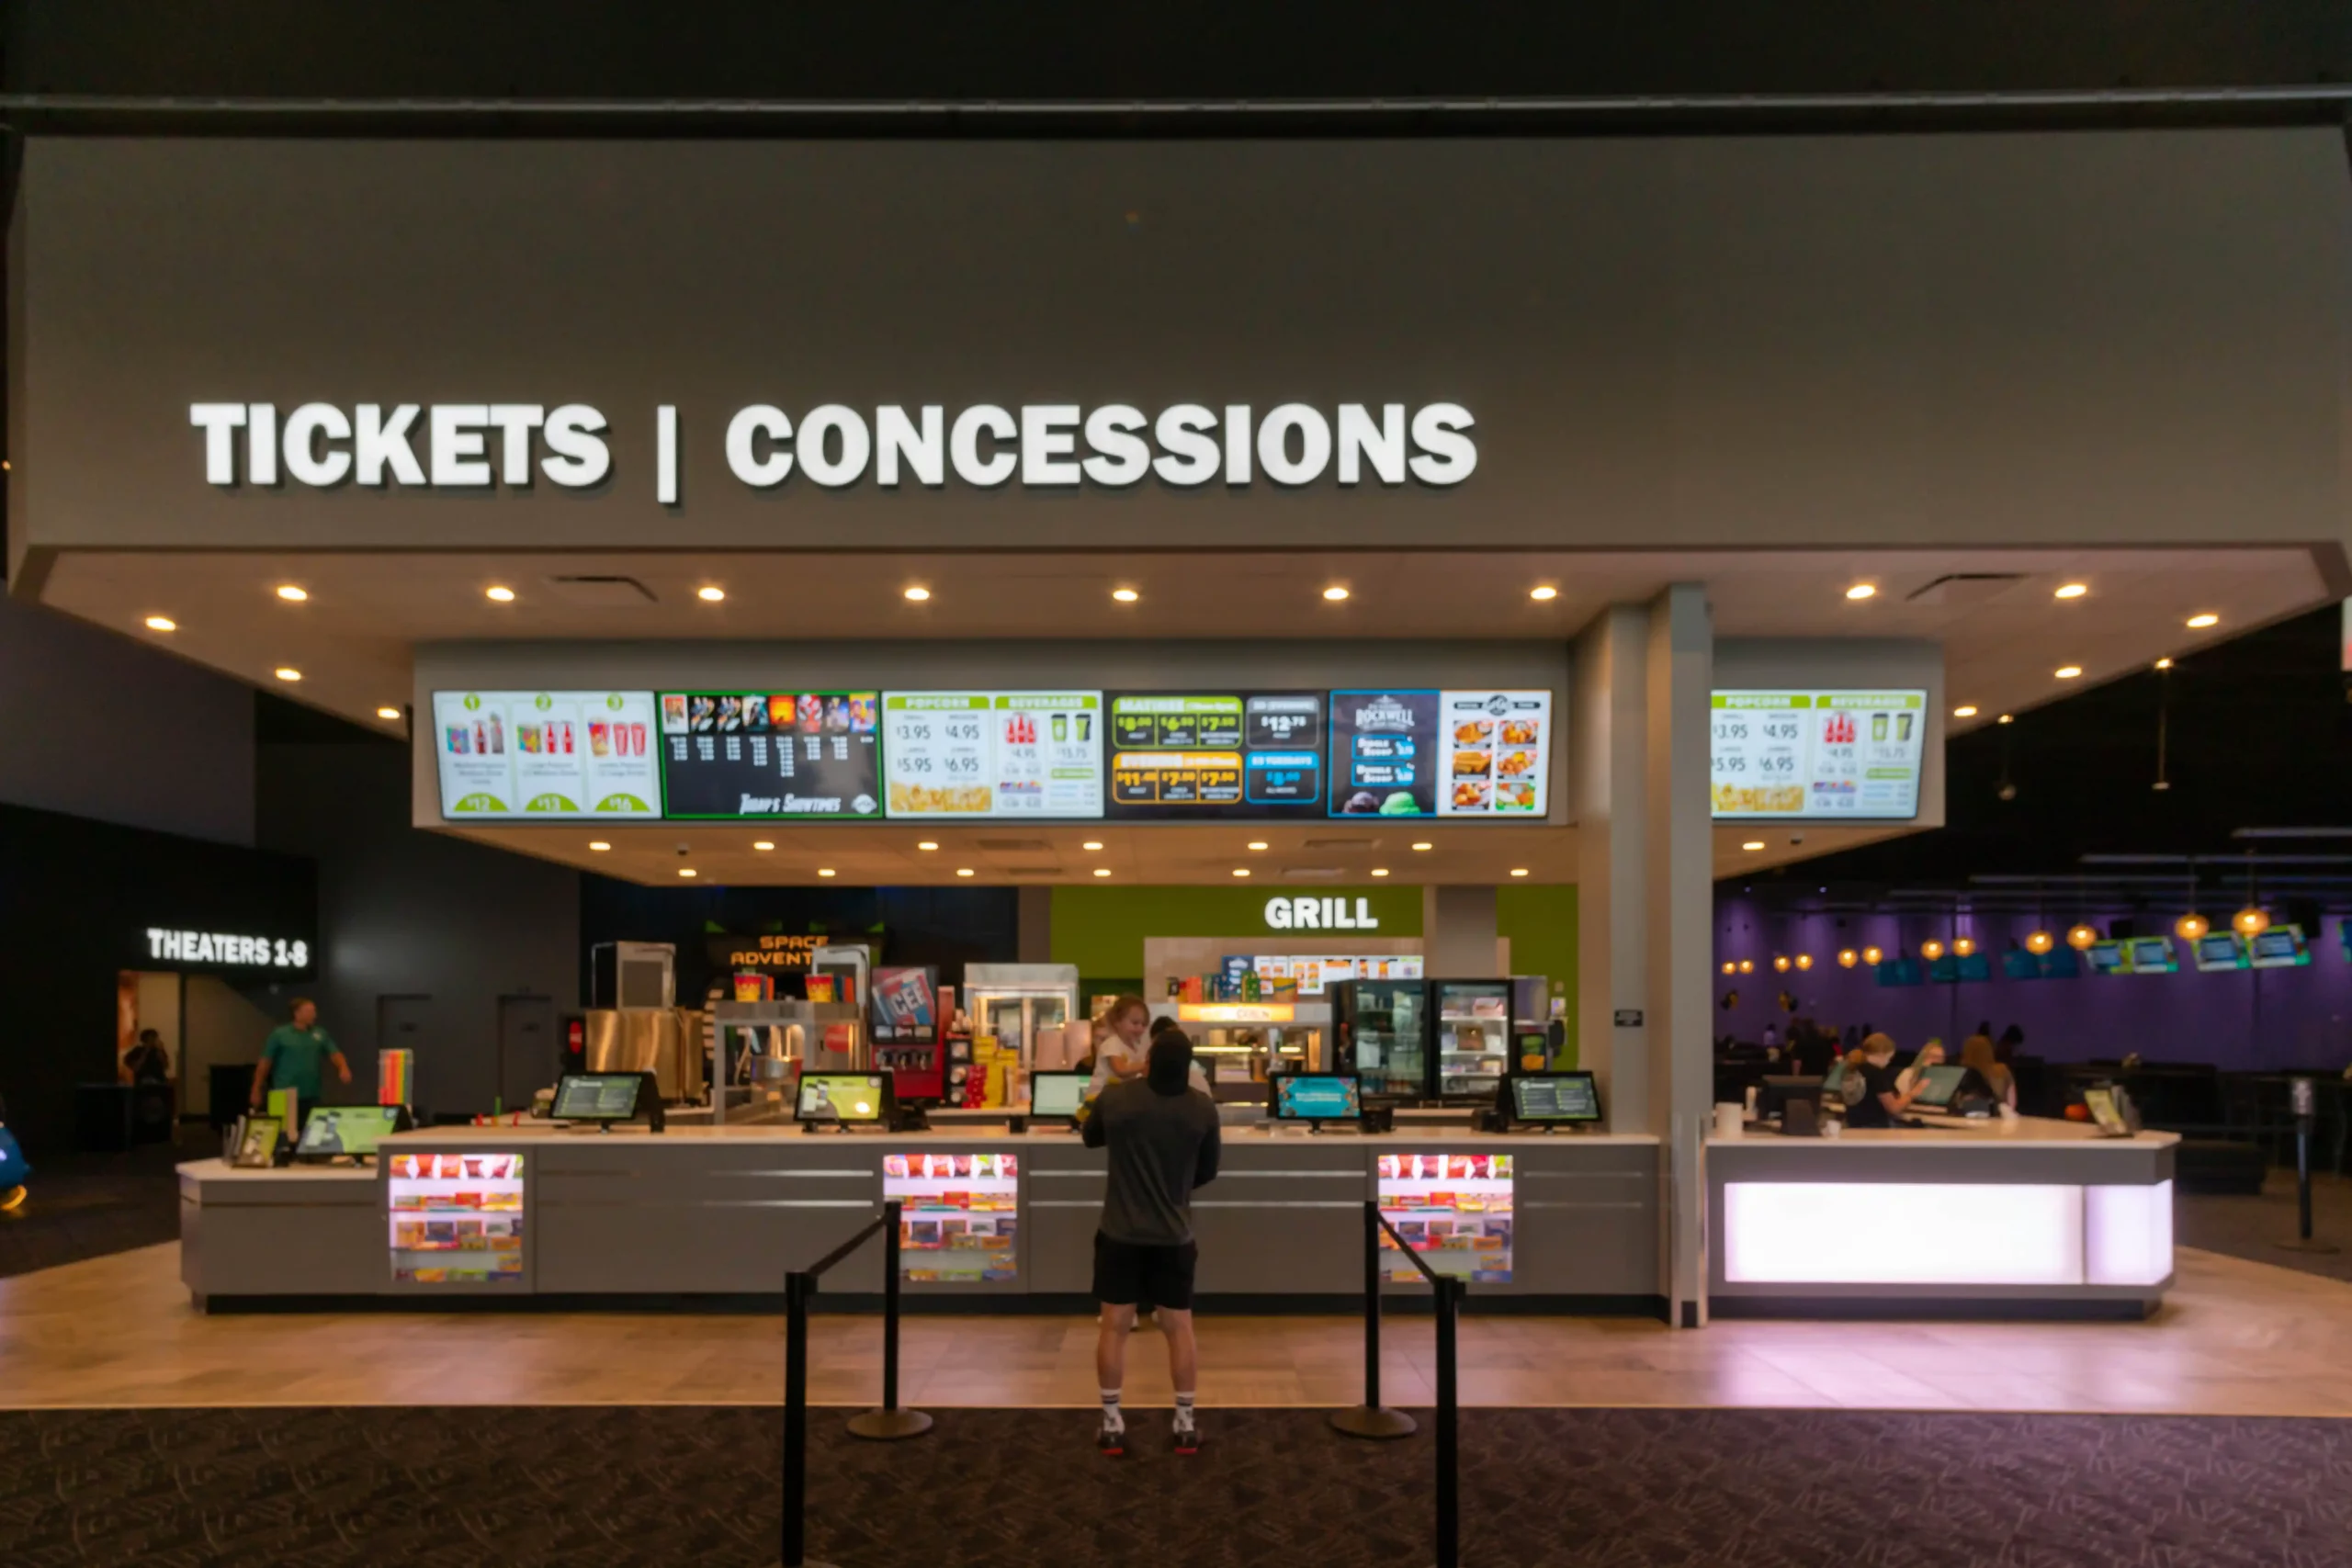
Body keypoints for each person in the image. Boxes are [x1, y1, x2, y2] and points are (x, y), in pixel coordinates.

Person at [1080, 1029, 1220, 1457]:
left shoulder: (1118, 1099)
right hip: (1174, 1235)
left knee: (1115, 1325)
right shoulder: (1202, 1109)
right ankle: (1184, 1424)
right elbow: (1208, 1170)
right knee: (1179, 1327)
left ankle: (1111, 1424)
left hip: (1119, 1232)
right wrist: (1175, 1188)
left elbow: (1089, 1136)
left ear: (1149, 1060)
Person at [251, 998, 350, 1114]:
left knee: (311, 1124)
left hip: (312, 1093)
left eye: (314, 1011)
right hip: (284, 1093)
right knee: (286, 1125)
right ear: (297, 1013)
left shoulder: (319, 1033)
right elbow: (265, 1062)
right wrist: (256, 1088)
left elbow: (334, 1053)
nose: (314, 1015)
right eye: (309, 1012)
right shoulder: (279, 1034)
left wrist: (343, 1067)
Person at [1843, 1032, 1934, 1129]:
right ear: (1882, 1054)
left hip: (1854, 1126)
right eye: (1889, 1058)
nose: (1888, 1062)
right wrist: (1913, 1093)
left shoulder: (1852, 1069)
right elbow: (1894, 1109)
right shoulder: (1876, 1073)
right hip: (1874, 1128)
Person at [1959, 1032, 2018, 1111]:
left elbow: (1957, 1103)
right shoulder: (2002, 1070)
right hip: (1999, 1116)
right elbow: (2011, 1104)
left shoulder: (1960, 1074)